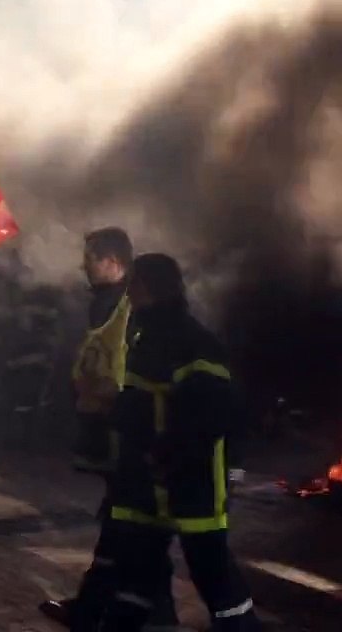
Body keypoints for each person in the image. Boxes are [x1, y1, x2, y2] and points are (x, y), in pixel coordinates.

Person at [98, 253, 260, 631]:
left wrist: (167, 452)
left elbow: (213, 412)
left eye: (134, 283)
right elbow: (143, 405)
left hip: (192, 481)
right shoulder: (147, 337)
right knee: (137, 572)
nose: (129, 291)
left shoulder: (194, 342)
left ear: (150, 287)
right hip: (145, 482)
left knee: (211, 571)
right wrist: (114, 408)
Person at [41, 228, 178, 630]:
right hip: (109, 436)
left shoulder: (130, 308)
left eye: (91, 257)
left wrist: (112, 400)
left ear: (113, 261)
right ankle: (97, 607)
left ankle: (139, 613)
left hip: (128, 439)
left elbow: (138, 376)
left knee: (129, 528)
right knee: (120, 526)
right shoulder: (104, 304)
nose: (83, 264)